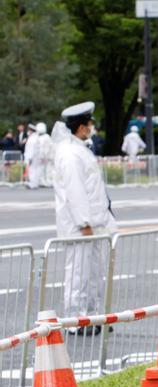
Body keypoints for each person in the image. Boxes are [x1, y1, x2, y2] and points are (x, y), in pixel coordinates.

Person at [53, 102, 117, 330]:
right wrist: (84, 222)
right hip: (81, 226)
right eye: (89, 123)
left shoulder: (79, 149)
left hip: (94, 223)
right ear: (81, 127)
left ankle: (92, 316)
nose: (91, 127)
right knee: (79, 273)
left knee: (94, 273)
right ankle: (75, 320)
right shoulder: (70, 154)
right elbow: (75, 191)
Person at [23, 122, 50, 188]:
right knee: (36, 170)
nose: (28, 131)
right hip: (35, 157)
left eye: (29, 130)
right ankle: (35, 182)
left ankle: (33, 184)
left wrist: (29, 158)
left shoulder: (33, 138)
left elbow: (31, 149)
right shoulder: (35, 137)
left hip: (33, 157)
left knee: (33, 170)